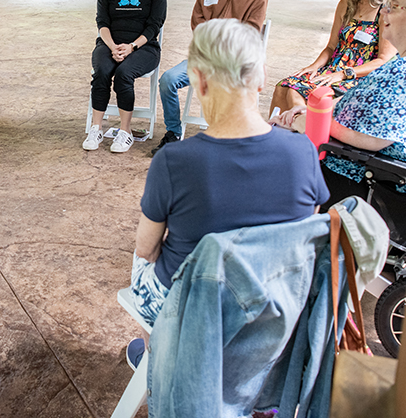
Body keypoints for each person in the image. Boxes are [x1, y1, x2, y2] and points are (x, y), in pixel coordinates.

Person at [127, 19, 329, 367]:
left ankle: (156, 358)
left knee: (140, 257)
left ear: (199, 79)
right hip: (272, 309)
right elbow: (305, 234)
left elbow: (146, 249)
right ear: (263, 77)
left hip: (193, 311)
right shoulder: (303, 153)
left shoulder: (174, 161)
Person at [272, 0, 406, 204]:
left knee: (255, 158)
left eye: (394, 6)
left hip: (353, 176)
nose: (384, 11)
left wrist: (308, 122)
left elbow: (373, 139)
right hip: (345, 157)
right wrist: (311, 112)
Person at [151, 0, 268, 155]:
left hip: (235, 61)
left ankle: (230, 135)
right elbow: (198, 27)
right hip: (206, 58)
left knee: (225, 86)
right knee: (168, 79)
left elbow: (251, 30)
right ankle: (173, 133)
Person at [269, 0, 397, 115]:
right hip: (333, 68)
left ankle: (301, 131)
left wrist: (345, 73)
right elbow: (331, 47)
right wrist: (313, 66)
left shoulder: (386, 12)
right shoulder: (346, 4)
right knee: (285, 86)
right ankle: (284, 132)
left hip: (359, 76)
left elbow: (384, 60)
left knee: (305, 93)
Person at [83, 0, 166, 153]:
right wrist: (112, 46)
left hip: (143, 47)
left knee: (124, 74)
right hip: (109, 43)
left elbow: (154, 25)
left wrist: (131, 46)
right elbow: (102, 23)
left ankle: (125, 131)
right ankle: (96, 128)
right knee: (101, 71)